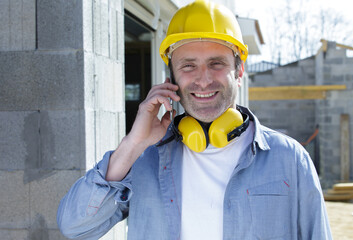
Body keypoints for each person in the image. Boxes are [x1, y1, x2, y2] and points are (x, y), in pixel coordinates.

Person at [57, 0, 332, 239]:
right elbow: (75, 226)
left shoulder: (289, 159)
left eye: (216, 63)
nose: (203, 79)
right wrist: (132, 144)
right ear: (171, 79)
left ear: (239, 71)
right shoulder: (143, 158)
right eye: (188, 65)